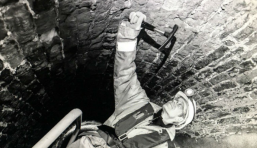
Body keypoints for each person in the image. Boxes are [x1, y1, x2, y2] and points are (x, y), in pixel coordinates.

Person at [68, 11, 196, 148]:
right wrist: (129, 33)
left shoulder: (162, 145)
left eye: (180, 106)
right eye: (177, 99)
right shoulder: (139, 102)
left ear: (179, 120)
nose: (175, 101)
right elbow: (124, 72)